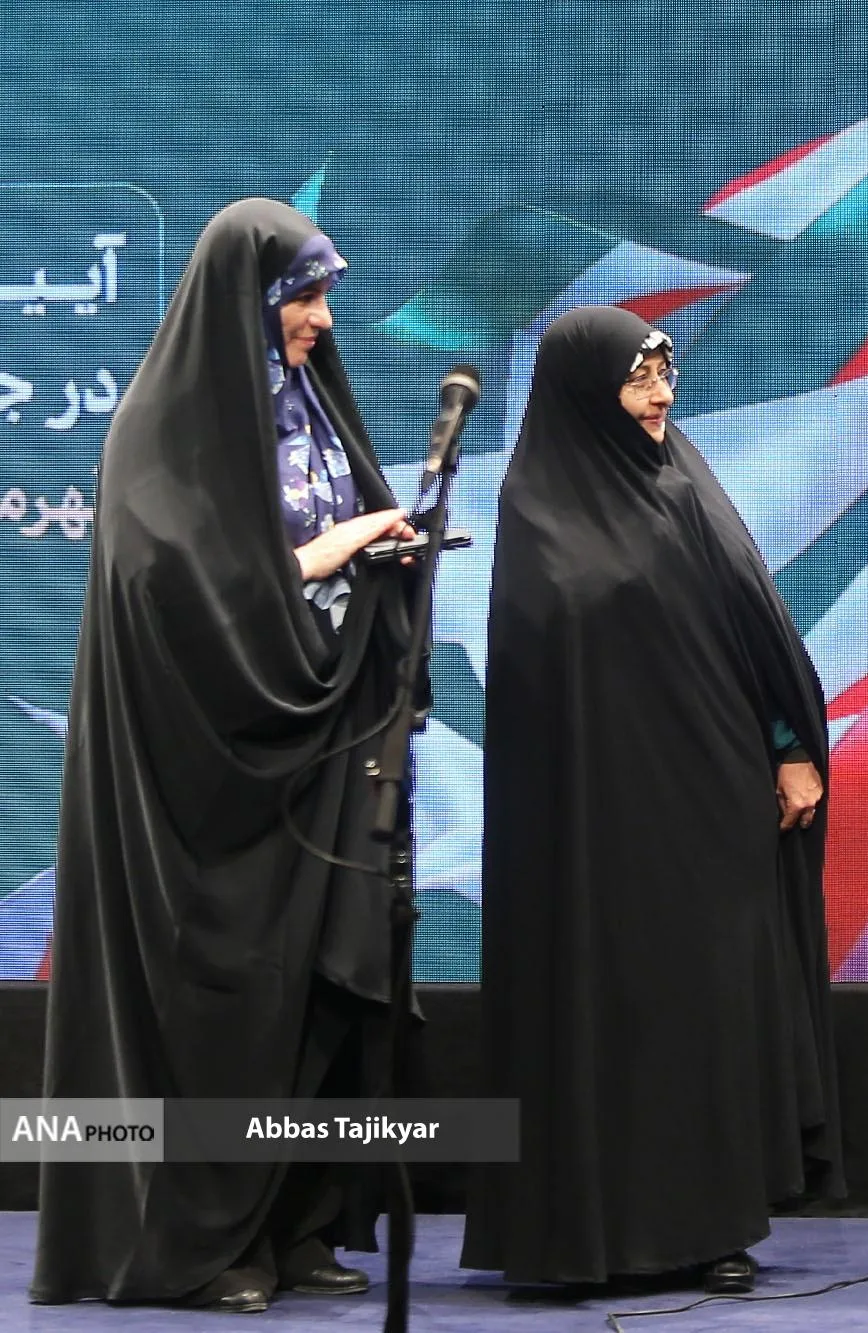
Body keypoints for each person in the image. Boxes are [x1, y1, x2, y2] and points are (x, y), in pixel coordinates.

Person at [32, 198, 421, 1314]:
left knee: (315, 988)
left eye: (324, 294)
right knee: (220, 1000)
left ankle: (294, 1223)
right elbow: (184, 589)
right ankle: (198, 1245)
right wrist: (332, 551)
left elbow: (320, 545)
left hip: (319, 747)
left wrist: (383, 555)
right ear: (243, 302)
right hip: (205, 786)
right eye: (304, 295)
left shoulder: (308, 402)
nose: (322, 318)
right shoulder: (161, 433)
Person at [462, 306, 843, 1294]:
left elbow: (754, 630)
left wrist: (789, 748)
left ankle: (711, 1226)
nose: (660, 395)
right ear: (587, 390)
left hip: (710, 805)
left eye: (664, 375)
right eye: (638, 379)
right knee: (605, 1013)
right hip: (591, 827)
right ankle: (584, 1235)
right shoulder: (536, 506)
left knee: (705, 1011)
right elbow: (540, 681)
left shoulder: (685, 486)